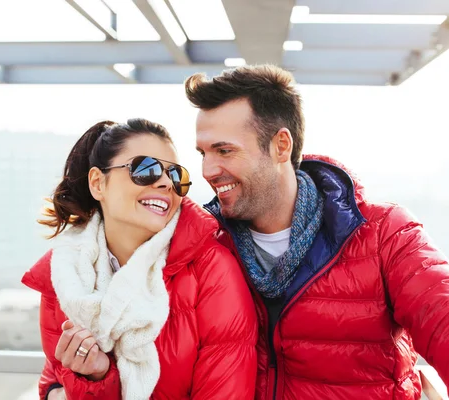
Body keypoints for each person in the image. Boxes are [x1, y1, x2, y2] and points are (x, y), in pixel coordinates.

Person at [185, 65, 449, 399]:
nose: (207, 171)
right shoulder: (204, 249)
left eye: (224, 151)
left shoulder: (384, 235)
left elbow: (441, 317)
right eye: (203, 153)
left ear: (281, 146)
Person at [21, 118, 258, 400]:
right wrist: (96, 377)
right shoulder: (64, 273)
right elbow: (53, 385)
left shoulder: (212, 271)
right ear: (98, 183)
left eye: (175, 176)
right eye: (145, 169)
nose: (164, 184)